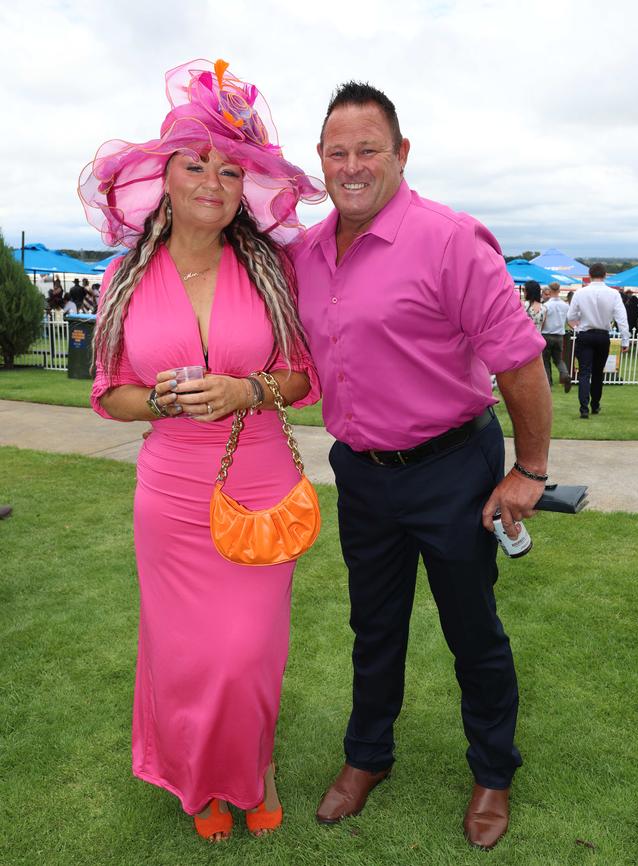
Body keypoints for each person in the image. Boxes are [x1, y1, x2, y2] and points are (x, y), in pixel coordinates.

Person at [293, 81, 551, 851]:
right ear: (320, 162)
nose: (352, 165)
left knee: (472, 628)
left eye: (368, 149)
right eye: (337, 152)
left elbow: (521, 362)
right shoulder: (304, 251)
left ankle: (493, 771)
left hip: (452, 468)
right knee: (373, 627)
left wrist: (529, 469)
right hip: (362, 472)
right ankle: (367, 757)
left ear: (401, 154)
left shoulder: (448, 239)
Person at [79, 57, 325, 842]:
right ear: (164, 175)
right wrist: (161, 400)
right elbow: (109, 393)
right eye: (196, 164)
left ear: (244, 185)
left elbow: (300, 378)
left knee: (248, 655)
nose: (212, 181)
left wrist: (245, 390)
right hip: (172, 500)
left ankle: (255, 771)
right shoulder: (125, 275)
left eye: (229, 168)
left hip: (259, 486)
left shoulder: (268, 266)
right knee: (186, 657)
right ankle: (202, 785)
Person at [567, 263, 629, 418]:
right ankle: (595, 405)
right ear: (605, 274)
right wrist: (625, 340)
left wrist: (577, 327)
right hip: (602, 336)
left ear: (589, 274)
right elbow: (622, 319)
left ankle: (583, 409)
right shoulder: (613, 294)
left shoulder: (580, 293)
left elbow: (570, 317)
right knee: (597, 373)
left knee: (584, 372)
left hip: (585, 334)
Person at [541, 282, 572, 390]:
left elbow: (543, 321)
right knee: (558, 360)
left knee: (545, 360)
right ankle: (565, 374)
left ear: (549, 290)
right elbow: (569, 322)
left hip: (546, 335)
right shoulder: (565, 306)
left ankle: (548, 383)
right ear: (559, 291)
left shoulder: (546, 305)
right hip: (559, 336)